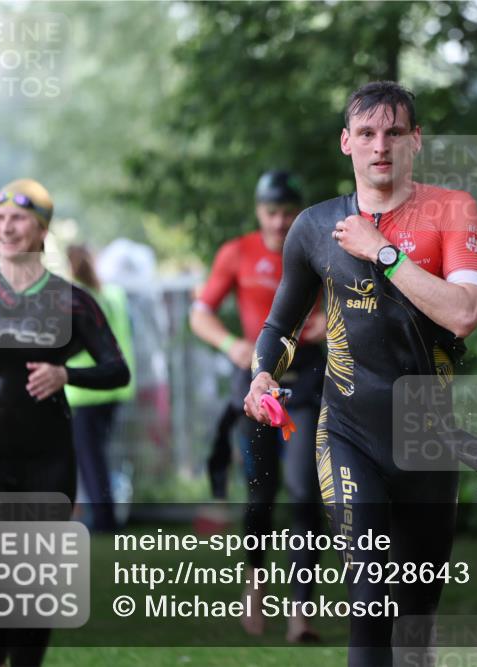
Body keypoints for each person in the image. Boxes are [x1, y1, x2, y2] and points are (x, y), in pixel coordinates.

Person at [244, 81, 477, 666]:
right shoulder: (314, 227)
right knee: (369, 601)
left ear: (416, 141)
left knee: (414, 625)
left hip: (427, 443)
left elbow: (463, 314)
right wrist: (260, 376)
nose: (381, 146)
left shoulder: (452, 211)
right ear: (346, 143)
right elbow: (280, 326)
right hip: (348, 434)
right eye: (368, 134)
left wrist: (382, 250)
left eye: (395, 133)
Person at [0, 179, 130, 667]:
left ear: (41, 230)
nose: (5, 227)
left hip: (46, 456)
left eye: (17, 218)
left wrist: (65, 373)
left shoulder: (71, 301)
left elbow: (116, 369)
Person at [189, 170, 327, 642]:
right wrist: (230, 344)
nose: (280, 222)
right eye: (272, 212)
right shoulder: (237, 252)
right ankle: (255, 582)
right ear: (258, 212)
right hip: (256, 382)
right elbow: (200, 312)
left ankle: (300, 614)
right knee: (260, 491)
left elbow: (353, 299)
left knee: (306, 489)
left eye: (289, 213)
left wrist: (331, 321)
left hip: (308, 377)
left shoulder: (316, 245)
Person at [64, 243, 137, 532]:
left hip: (84, 389)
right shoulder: (114, 294)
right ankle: (104, 515)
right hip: (115, 387)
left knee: (90, 459)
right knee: (99, 456)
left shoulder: (75, 300)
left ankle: (104, 520)